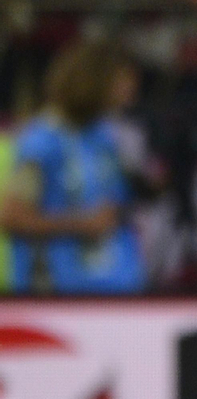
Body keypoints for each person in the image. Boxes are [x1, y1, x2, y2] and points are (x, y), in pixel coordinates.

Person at [2, 40, 146, 294]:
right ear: (95, 80)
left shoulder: (104, 136)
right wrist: (81, 224)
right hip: (60, 294)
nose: (131, 89)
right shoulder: (43, 142)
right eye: (123, 80)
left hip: (116, 288)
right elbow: (11, 215)